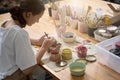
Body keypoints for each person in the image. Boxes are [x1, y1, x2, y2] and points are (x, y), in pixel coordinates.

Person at [0, 0, 56, 80]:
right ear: (28, 14)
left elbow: (13, 39)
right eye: (38, 18)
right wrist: (44, 48)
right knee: (48, 73)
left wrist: (36, 41)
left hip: (2, 70)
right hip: (10, 77)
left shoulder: (7, 22)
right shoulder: (19, 33)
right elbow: (28, 69)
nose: (37, 21)